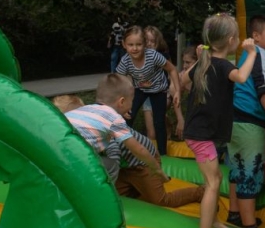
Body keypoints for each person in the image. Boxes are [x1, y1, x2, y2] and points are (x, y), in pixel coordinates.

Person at [54, 91, 203, 208]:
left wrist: (156, 170)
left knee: (161, 200)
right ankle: (135, 187)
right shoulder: (83, 129)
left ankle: (199, 192)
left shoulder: (98, 129)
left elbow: (115, 154)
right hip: (126, 166)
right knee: (120, 196)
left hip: (143, 162)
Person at [182, 13, 258, 228]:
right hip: (200, 135)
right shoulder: (223, 65)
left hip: (200, 132)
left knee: (215, 178)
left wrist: (199, 60)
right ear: (231, 40)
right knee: (213, 182)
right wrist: (252, 53)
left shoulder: (206, 63)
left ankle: (213, 221)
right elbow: (242, 77)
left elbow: (184, 81)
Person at [226, 15, 265, 228]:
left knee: (237, 168)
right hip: (250, 122)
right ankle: (249, 227)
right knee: (250, 171)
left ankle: (234, 214)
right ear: (256, 36)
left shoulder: (248, 56)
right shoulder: (262, 55)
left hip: (236, 119)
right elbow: (264, 91)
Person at [64, 74, 167, 186]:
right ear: (121, 102)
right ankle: (105, 193)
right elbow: (139, 149)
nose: (132, 105)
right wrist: (157, 169)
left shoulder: (85, 109)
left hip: (58, 151)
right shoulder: (114, 118)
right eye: (132, 101)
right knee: (112, 166)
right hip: (76, 158)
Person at [116, 26, 180, 156]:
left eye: (139, 44)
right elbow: (119, 82)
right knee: (128, 116)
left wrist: (177, 90)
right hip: (140, 90)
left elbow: (172, 69)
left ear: (144, 44)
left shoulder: (153, 56)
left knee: (159, 122)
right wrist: (123, 104)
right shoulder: (125, 61)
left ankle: (162, 154)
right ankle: (124, 147)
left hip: (159, 90)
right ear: (124, 45)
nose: (135, 48)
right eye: (131, 45)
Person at [174, 45, 198, 137]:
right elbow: (176, 97)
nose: (184, 66)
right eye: (183, 62)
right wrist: (180, 119)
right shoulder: (183, 75)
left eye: (188, 62)